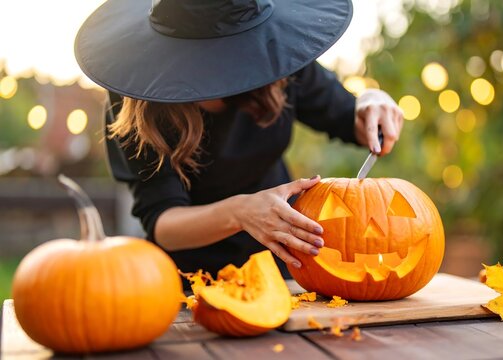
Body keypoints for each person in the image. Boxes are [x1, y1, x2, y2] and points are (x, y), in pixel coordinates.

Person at [75, 0, 404, 278]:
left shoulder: (278, 56)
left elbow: (351, 120)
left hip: (283, 266)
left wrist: (372, 102)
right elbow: (163, 222)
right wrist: (240, 212)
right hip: (191, 280)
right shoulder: (137, 100)